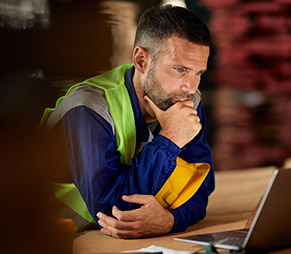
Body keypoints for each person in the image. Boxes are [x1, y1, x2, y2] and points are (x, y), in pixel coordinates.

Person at [41, 4, 215, 238]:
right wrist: (170, 139)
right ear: (141, 60)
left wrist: (172, 220)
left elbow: (200, 190)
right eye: (180, 69)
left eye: (198, 73)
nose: (191, 87)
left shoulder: (186, 101)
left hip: (108, 242)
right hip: (47, 242)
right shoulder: (87, 108)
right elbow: (115, 213)